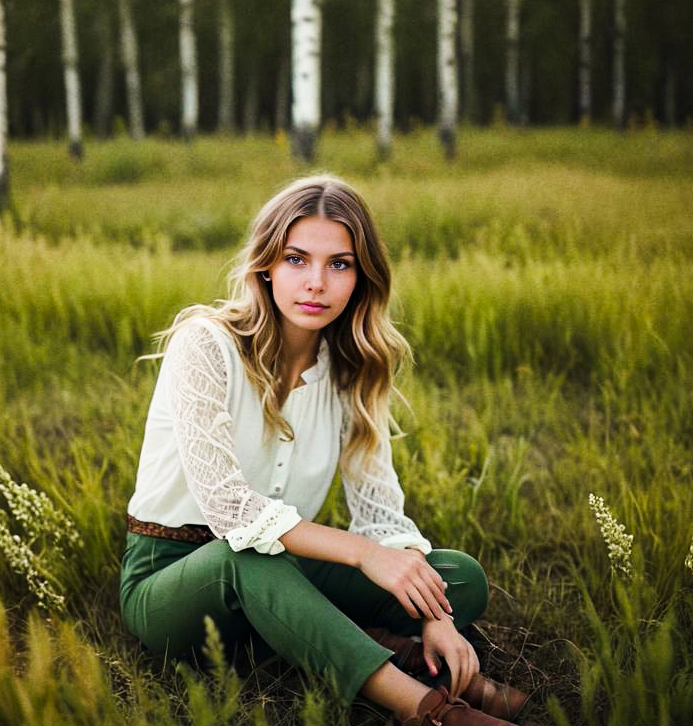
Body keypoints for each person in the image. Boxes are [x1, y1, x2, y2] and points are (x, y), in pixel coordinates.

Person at [120, 175, 529, 726]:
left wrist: (434, 613)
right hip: (176, 580)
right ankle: (425, 704)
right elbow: (230, 511)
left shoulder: (350, 373)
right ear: (266, 264)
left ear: (362, 277)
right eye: (296, 259)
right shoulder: (206, 343)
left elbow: (381, 515)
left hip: (283, 568)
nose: (316, 282)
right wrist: (363, 554)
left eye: (339, 263)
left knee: (455, 577)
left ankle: (343, 642)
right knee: (246, 559)